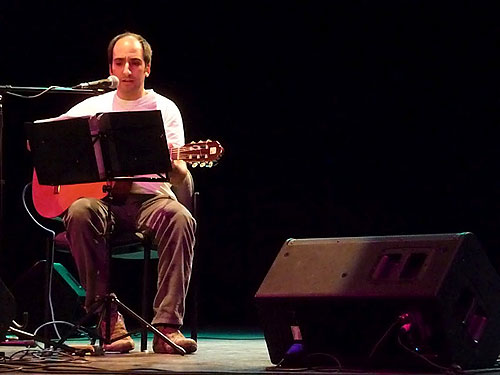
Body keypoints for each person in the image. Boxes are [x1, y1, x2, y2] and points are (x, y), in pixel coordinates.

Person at [61, 32, 197, 354]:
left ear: (147, 68)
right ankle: (108, 322)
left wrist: (175, 165)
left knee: (180, 218)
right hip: (102, 201)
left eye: (134, 63)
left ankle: (167, 328)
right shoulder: (92, 105)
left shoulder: (165, 109)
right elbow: (47, 141)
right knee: (79, 211)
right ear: (110, 66)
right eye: (119, 62)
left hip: (149, 199)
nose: (126, 70)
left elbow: (180, 176)